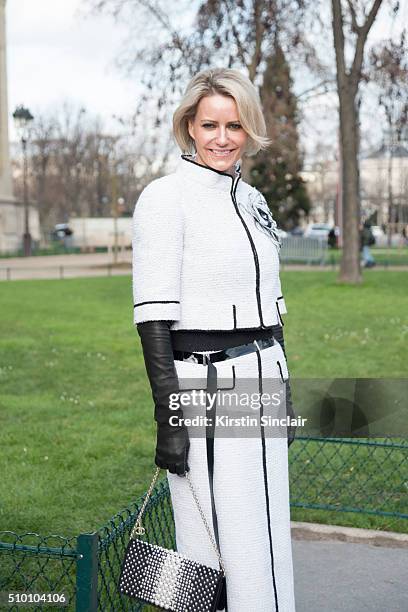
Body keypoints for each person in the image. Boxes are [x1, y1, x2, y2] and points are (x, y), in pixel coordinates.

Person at [132, 68, 297, 611]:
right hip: (203, 383)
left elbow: (271, 307)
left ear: (249, 129)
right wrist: (169, 419)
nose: (223, 138)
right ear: (189, 127)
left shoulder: (253, 200)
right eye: (210, 125)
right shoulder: (164, 198)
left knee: (264, 532)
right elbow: (153, 317)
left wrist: (284, 387)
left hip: (262, 375)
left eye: (235, 125)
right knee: (208, 545)